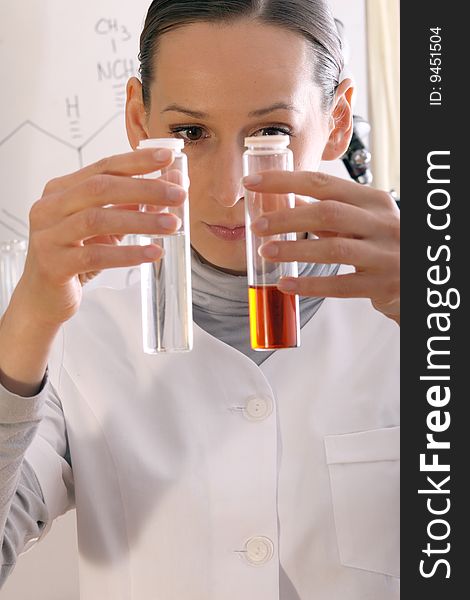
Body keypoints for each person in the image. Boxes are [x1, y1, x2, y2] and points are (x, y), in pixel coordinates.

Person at [0, 0, 400, 598]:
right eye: (190, 133)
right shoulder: (75, 317)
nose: (227, 187)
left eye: (271, 132)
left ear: (338, 120)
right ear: (139, 118)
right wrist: (29, 321)